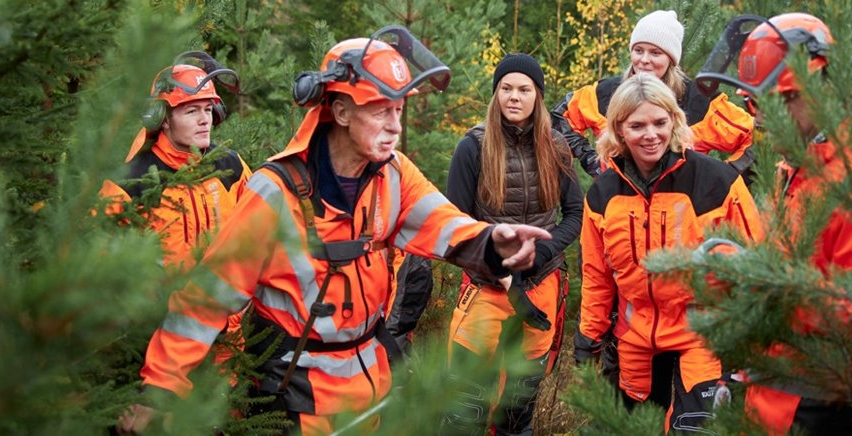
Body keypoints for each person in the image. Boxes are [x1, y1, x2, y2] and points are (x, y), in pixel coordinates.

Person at [117, 26, 552, 435]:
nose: (395, 126)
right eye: (380, 109)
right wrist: (159, 389)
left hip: (372, 395)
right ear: (340, 110)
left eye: (398, 110)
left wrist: (492, 242)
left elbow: (444, 223)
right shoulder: (276, 193)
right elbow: (205, 300)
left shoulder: (392, 175)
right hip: (292, 402)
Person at [694, 12, 852, 434]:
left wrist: (758, 287)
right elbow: (794, 270)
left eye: (782, 101)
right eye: (756, 104)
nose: (765, 119)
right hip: (775, 406)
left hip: (834, 415)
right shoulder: (800, 169)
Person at [573, 73, 763, 433]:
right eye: (637, 125)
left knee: (693, 429)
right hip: (636, 343)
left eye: (660, 122)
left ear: (676, 121)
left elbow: (755, 265)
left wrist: (752, 341)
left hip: (702, 336)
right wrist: (589, 340)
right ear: (618, 129)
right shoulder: (602, 195)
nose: (651, 135)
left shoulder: (716, 182)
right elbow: (597, 276)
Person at [440, 53, 583, 435]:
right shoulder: (472, 147)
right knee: (465, 408)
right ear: (496, 94)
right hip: (486, 289)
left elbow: (574, 214)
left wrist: (544, 255)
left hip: (542, 286)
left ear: (538, 95)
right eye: (506, 88)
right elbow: (454, 226)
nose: (514, 97)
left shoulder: (556, 146)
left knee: (518, 409)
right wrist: (500, 268)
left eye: (524, 89)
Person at [99, 51, 250, 366]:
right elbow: (103, 266)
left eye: (208, 109)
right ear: (163, 119)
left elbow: (261, 234)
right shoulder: (130, 183)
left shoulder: (231, 166)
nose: (204, 119)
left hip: (231, 337)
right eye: (191, 110)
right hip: (159, 341)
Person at [552, 9, 756, 181]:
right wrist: (592, 161)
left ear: (671, 59)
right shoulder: (606, 93)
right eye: (638, 50)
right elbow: (559, 120)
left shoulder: (700, 101)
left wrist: (724, 178)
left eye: (655, 53)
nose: (644, 60)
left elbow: (756, 138)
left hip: (681, 212)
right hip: (618, 210)